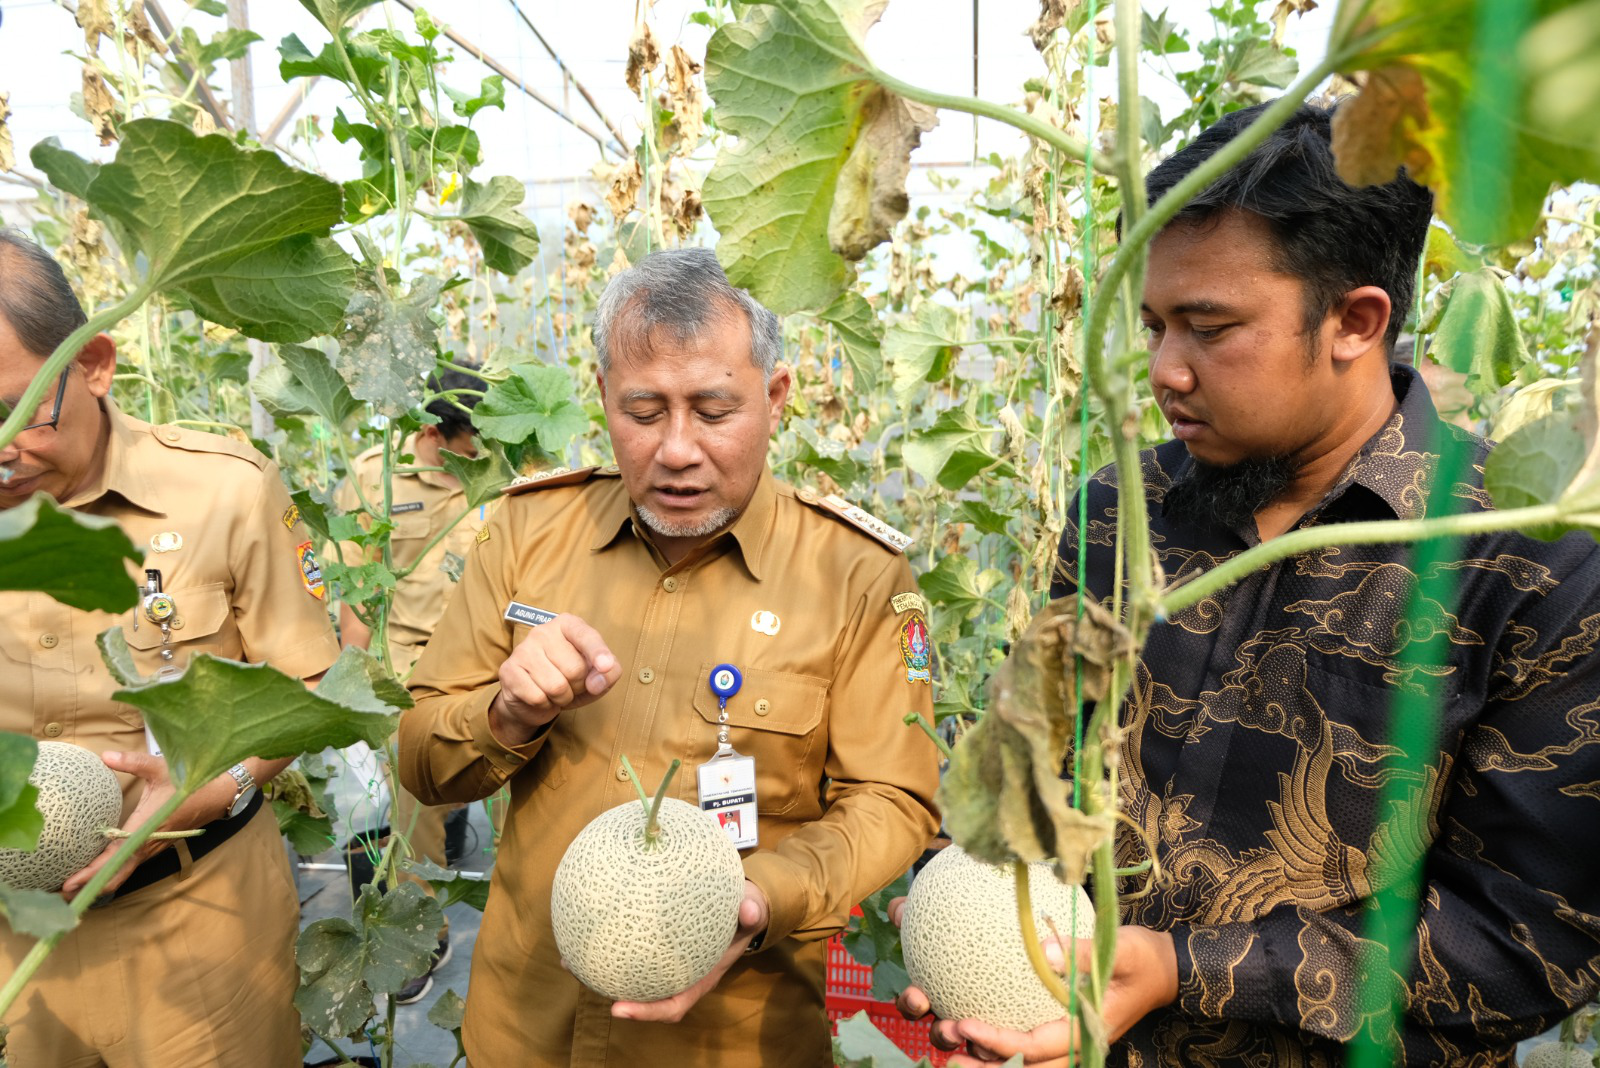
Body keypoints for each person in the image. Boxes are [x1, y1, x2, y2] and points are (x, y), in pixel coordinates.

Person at [896, 102, 1600, 1066]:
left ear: (1356, 321)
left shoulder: (1534, 561)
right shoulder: (1117, 511)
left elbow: (1532, 941)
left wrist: (1186, 967)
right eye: (1151, 325)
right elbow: (1049, 768)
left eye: (1208, 328)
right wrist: (974, 892)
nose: (1163, 371)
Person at [399, 246, 942, 1067]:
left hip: (729, 1044)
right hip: (522, 1030)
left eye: (715, 412)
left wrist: (762, 898)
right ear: (604, 397)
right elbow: (421, 760)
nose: (677, 449)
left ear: (776, 395)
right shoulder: (524, 533)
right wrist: (504, 714)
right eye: (644, 413)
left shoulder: (859, 574)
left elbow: (894, 798)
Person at [0, 229, 341, 1064]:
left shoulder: (224, 487)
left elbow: (315, 680)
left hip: (201, 920)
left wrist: (211, 787)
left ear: (95, 364)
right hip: (16, 944)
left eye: (14, 413)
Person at [333, 368, 486, 1004]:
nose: (482, 455)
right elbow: (354, 581)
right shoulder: (376, 477)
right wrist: (350, 679)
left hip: (487, 662)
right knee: (410, 797)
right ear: (431, 431)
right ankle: (422, 929)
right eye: (470, 443)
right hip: (408, 669)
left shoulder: (504, 475)